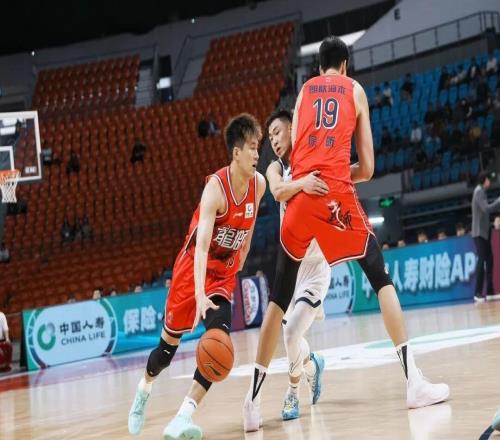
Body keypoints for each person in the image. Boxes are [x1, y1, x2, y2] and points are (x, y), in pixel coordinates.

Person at [243, 36, 449, 433]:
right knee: (380, 277)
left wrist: (306, 180)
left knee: (277, 303)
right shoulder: (354, 90)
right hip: (336, 195)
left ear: (318, 67)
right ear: (345, 65)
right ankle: (414, 382)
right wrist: (339, 174)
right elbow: (367, 168)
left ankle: (251, 405)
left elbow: (299, 158)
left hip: (302, 198)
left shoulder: (304, 92)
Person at [128, 113, 266, 439]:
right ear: (236, 152)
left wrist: (241, 258)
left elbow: (248, 229)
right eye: (251, 147)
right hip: (191, 272)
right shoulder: (215, 190)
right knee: (165, 354)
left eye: (258, 147)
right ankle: (144, 389)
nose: (257, 154)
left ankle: (182, 417)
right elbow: (202, 245)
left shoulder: (258, 185)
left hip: (222, 276)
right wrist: (200, 294)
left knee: (218, 344)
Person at [266, 109, 331, 420]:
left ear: (293, 128)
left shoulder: (314, 158)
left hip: (316, 267)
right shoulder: (275, 168)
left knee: (291, 333)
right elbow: (278, 191)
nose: (274, 140)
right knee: (291, 338)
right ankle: (312, 364)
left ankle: (292, 392)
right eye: (270, 137)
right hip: (290, 268)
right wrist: (304, 183)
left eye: (278, 132)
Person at [471, 172, 500, 302]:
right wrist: (499, 201)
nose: (490, 182)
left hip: (485, 232)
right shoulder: (479, 191)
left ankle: (489, 292)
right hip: (479, 233)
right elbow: (486, 209)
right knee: (482, 260)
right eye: (489, 179)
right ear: (485, 180)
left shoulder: (482, 191)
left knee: (489, 260)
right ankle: (477, 293)